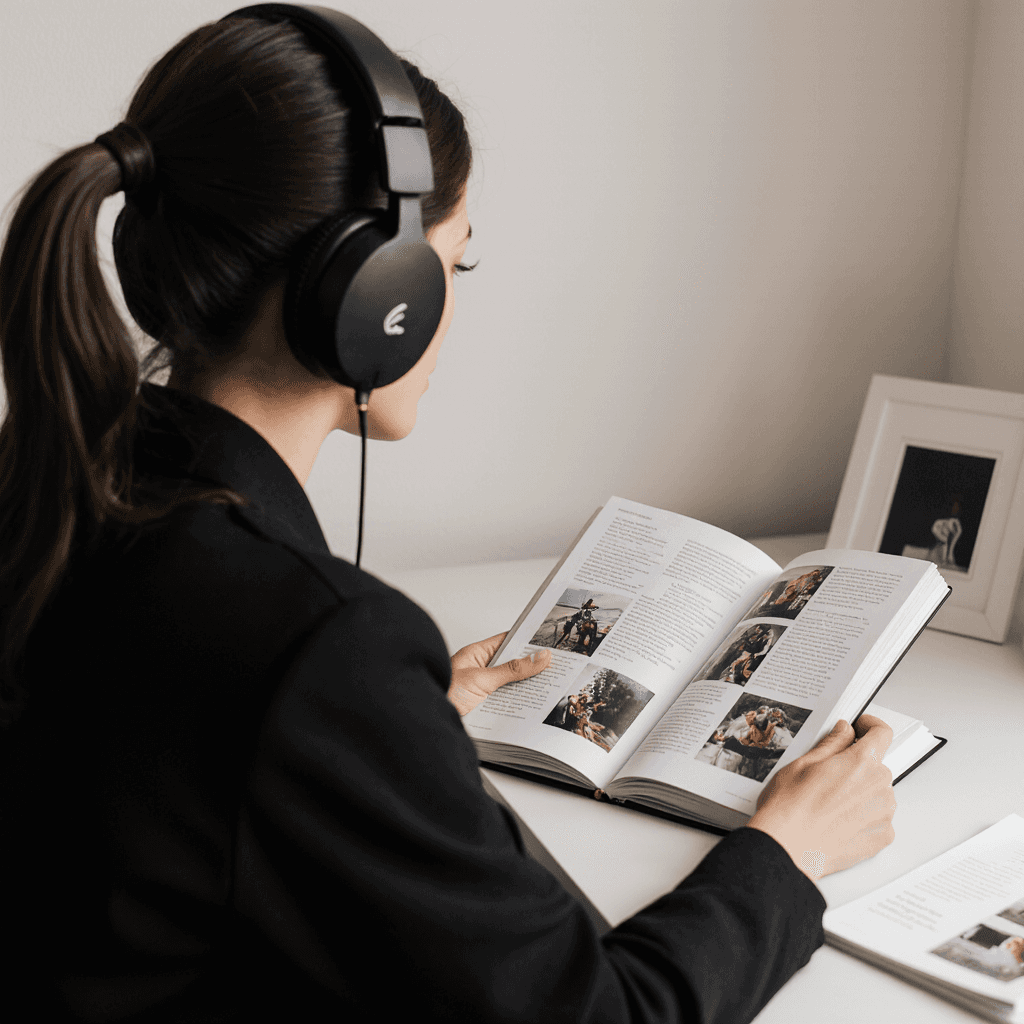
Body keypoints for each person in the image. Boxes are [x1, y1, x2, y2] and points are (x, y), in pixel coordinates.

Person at [0, 7, 898, 1023]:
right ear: (376, 295)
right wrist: (786, 856)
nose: (450, 308)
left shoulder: (59, 482)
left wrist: (374, 740)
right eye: (451, 264)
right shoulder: (313, 643)